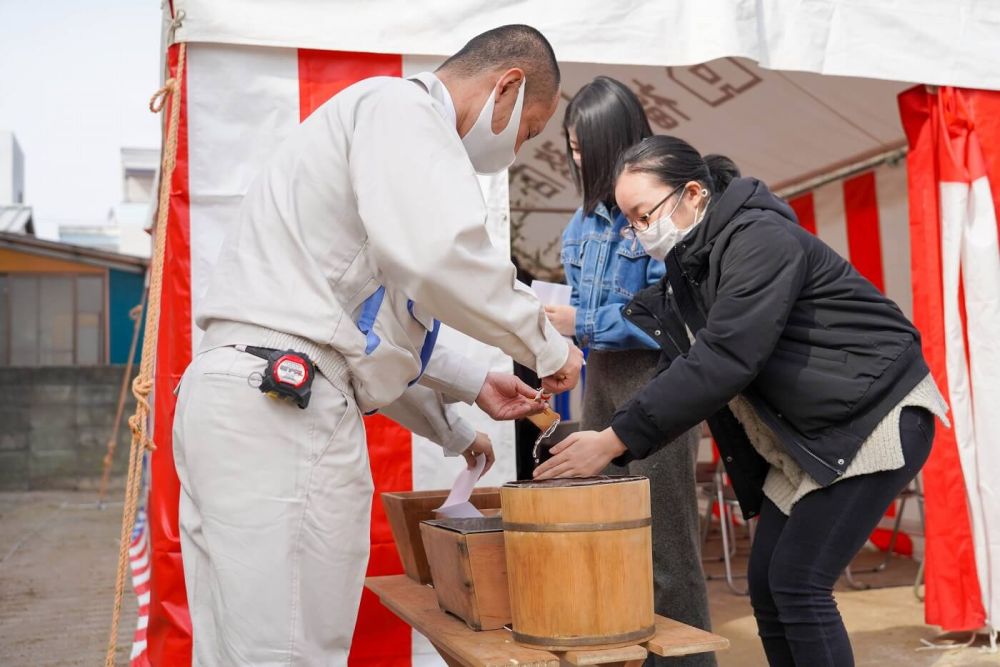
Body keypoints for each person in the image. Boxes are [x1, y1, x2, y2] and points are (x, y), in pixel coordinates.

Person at [173, 25, 584, 666]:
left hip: (242, 393)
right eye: (528, 129)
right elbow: (439, 259)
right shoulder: (403, 110)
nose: (518, 147)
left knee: (235, 650)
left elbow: (372, 336)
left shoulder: (364, 136)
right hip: (283, 403)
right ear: (508, 85)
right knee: (289, 650)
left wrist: (467, 400)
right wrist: (548, 345)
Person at [535, 135, 948, 667]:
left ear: (693, 195)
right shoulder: (692, 265)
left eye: (643, 215)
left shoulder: (760, 238)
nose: (638, 233)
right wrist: (609, 432)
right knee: (768, 585)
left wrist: (615, 439)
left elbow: (726, 358)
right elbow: (681, 367)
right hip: (809, 430)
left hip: (872, 416)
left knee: (799, 584)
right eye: (630, 222)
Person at [542, 77, 714, 667]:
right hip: (600, 382)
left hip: (659, 379)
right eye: (571, 146)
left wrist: (578, 321)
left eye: (585, 144)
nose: (577, 157)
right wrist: (561, 338)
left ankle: (689, 660)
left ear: (620, 141)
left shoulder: (663, 211)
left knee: (665, 545)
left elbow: (671, 315)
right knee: (605, 531)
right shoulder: (579, 223)